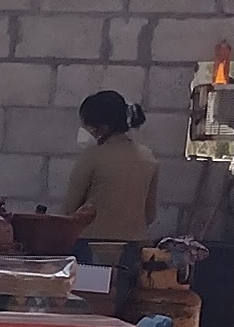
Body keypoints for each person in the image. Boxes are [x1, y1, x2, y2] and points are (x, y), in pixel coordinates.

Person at [62, 88, 161, 246]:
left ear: (103, 128)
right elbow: (149, 215)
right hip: (135, 246)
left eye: (88, 127)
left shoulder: (91, 156)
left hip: (90, 246)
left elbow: (69, 210)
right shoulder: (148, 157)